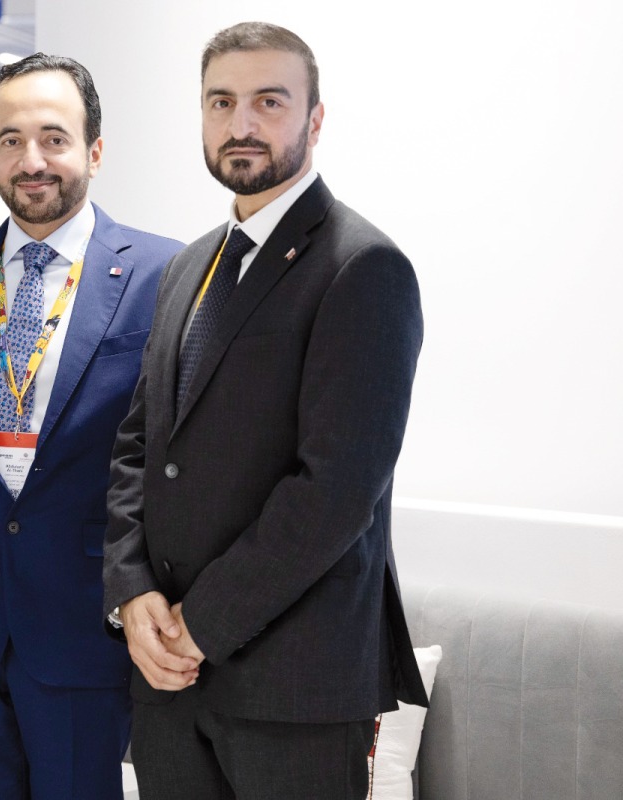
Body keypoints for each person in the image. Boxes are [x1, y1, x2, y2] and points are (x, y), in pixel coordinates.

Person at [102, 22, 429, 800]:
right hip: (170, 685)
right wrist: (132, 591)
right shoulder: (187, 267)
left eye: (268, 102)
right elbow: (138, 447)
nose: (240, 124)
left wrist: (198, 626)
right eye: (221, 102)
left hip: (294, 685)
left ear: (315, 120)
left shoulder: (363, 266)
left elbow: (335, 490)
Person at [0, 53, 182, 800]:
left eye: (53, 138)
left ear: (94, 149)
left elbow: (171, 460)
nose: (32, 160)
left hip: (88, 619)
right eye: (10, 139)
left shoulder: (166, 272)